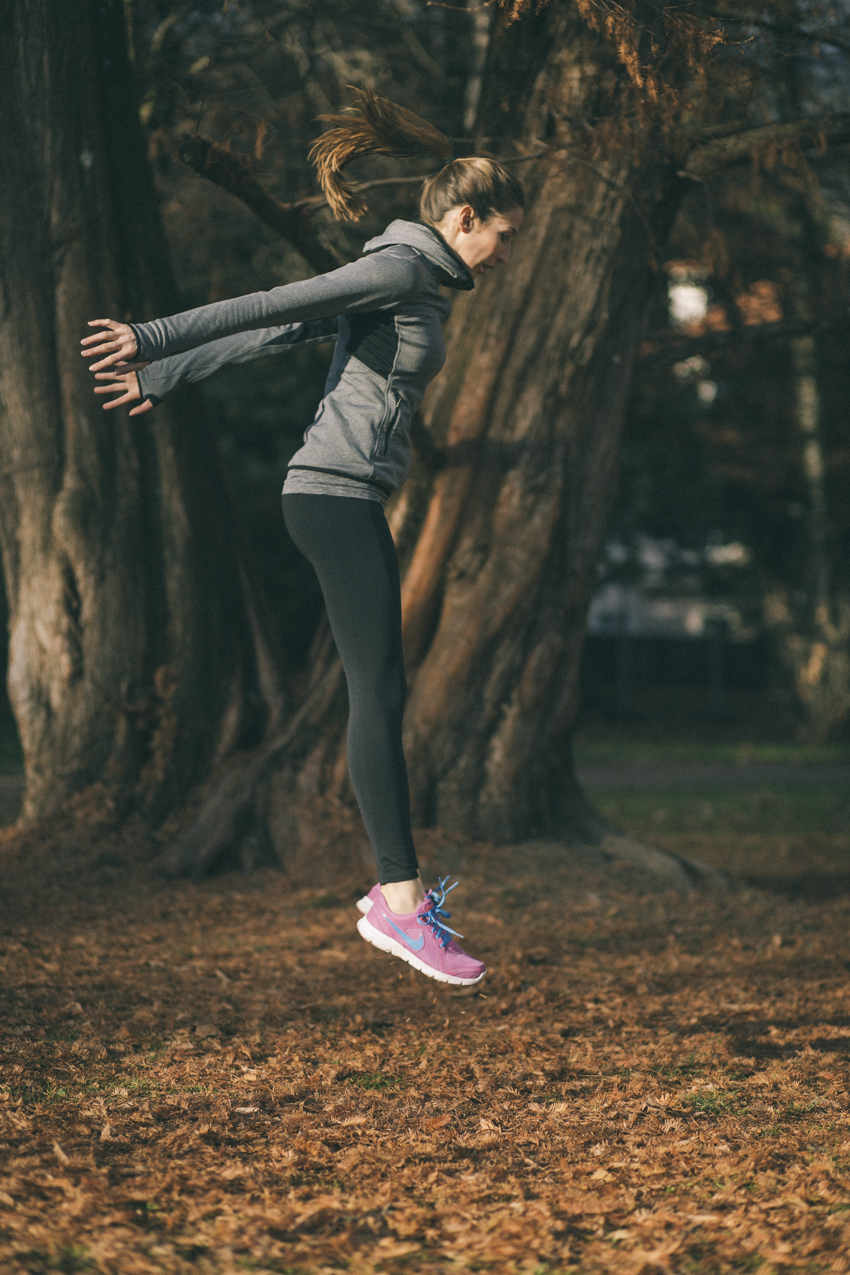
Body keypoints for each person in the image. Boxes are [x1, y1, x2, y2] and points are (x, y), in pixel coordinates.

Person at [80, 89, 524, 987]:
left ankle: (394, 903)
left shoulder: (415, 279)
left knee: (382, 687)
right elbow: (278, 296)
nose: (503, 254)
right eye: (501, 236)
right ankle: (398, 908)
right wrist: (151, 335)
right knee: (381, 691)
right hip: (332, 494)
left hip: (343, 496)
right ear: (466, 217)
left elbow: (286, 330)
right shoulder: (402, 272)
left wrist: (166, 374)